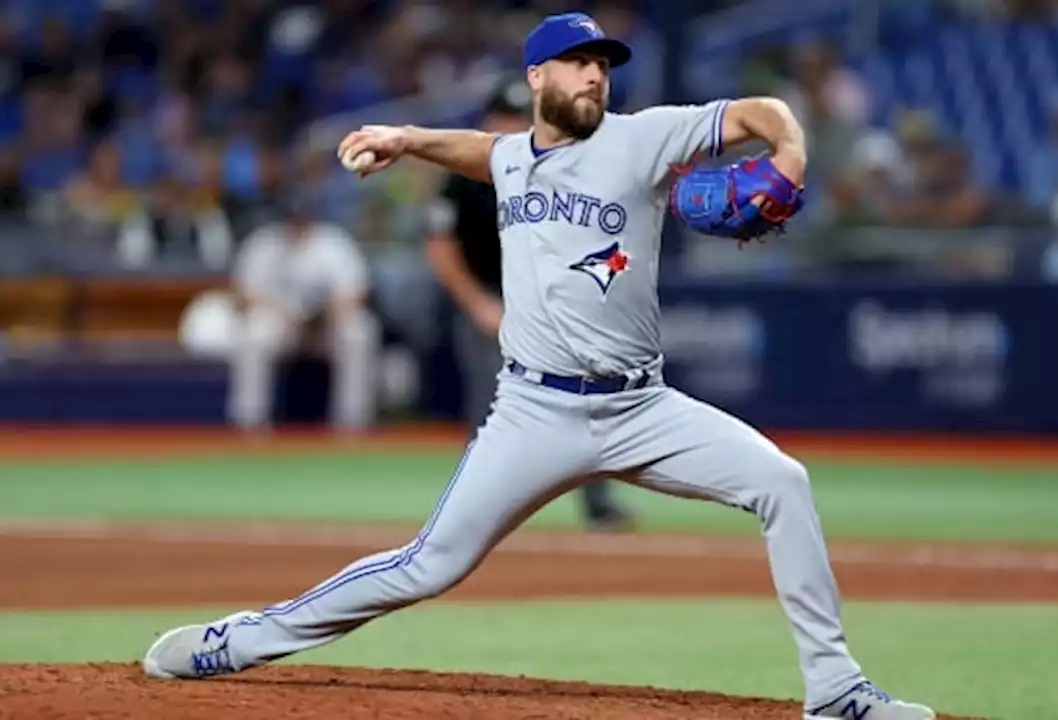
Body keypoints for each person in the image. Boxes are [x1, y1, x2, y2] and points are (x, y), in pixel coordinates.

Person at [141, 12, 936, 720]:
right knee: (427, 566)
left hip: (643, 409)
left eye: (604, 63)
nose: (596, 74)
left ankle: (835, 692)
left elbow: (764, 113)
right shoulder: (514, 159)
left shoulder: (643, 136)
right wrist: (408, 138)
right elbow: (484, 153)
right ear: (537, 76)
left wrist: (791, 153)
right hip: (534, 414)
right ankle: (237, 640)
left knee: (783, 483)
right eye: (578, 61)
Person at [425, 75, 637, 532]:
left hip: (549, 304)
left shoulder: (559, 169)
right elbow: (441, 247)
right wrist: (478, 304)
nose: (511, 127)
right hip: (487, 299)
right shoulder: (463, 176)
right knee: (491, 409)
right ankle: (475, 513)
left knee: (583, 400)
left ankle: (599, 503)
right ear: (486, 119)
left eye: (519, 118)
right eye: (503, 116)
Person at [227, 189, 380, 433]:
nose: (296, 222)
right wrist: (285, 316)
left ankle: (352, 423)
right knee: (255, 334)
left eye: (301, 216)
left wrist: (327, 315)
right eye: (291, 217)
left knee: (359, 331)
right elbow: (245, 295)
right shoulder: (264, 243)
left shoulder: (332, 242)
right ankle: (250, 421)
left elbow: (356, 293)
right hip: (281, 324)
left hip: (325, 325)